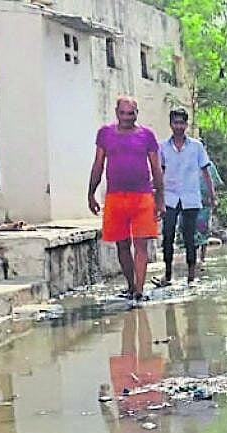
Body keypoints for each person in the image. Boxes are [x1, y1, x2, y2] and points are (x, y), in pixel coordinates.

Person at [88, 96, 165, 301]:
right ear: (116, 112)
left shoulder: (147, 135)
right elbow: (98, 165)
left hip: (143, 196)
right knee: (122, 245)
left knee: (141, 245)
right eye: (122, 113)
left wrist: (160, 199)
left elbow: (156, 168)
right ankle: (131, 285)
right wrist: (91, 193)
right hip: (115, 197)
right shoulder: (105, 134)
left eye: (130, 114)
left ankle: (139, 291)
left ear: (136, 113)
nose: (126, 118)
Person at [155, 107, 216, 286]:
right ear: (171, 124)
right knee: (168, 235)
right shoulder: (163, 147)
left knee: (190, 236)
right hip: (170, 197)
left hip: (191, 197)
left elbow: (205, 171)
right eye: (176, 123)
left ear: (186, 124)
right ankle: (167, 274)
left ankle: (191, 275)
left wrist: (212, 196)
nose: (179, 126)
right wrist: (156, 197)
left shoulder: (196, 147)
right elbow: (160, 173)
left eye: (182, 123)